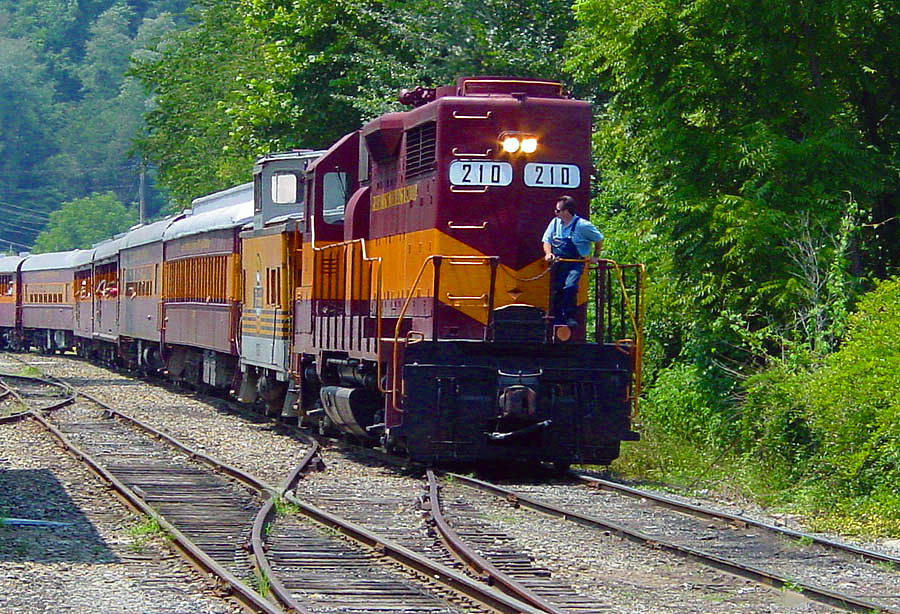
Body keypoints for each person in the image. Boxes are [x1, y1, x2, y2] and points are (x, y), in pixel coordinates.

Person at [541, 195, 603, 327]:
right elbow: (547, 240)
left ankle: (570, 316)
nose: (555, 213)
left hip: (576, 263)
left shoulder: (583, 225)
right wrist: (548, 253)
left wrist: (596, 256)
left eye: (558, 210)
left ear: (567, 211)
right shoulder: (555, 223)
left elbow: (599, 239)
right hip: (558, 263)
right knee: (556, 290)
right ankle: (557, 319)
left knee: (570, 286)